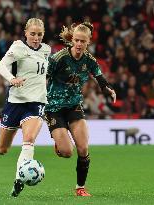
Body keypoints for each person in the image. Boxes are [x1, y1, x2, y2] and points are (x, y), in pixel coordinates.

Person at [44, 22, 116, 197]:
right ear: (72, 40)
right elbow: (43, 79)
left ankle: (80, 188)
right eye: (76, 40)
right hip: (53, 108)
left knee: (83, 149)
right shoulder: (58, 58)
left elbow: (100, 78)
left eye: (82, 41)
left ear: (88, 42)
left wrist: (109, 89)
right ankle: (60, 143)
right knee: (67, 152)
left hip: (74, 106)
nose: (78, 44)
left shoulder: (89, 60)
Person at [0, 18, 51, 197]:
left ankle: (18, 181)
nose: (36, 38)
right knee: (3, 149)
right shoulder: (18, 47)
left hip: (37, 102)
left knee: (29, 138)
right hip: (15, 102)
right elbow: (0, 66)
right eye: (32, 34)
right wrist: (12, 79)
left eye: (39, 34)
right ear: (25, 33)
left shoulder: (47, 50)